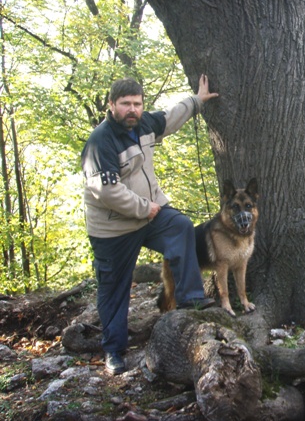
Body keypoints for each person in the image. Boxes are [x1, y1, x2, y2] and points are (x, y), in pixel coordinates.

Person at [81, 74, 219, 375]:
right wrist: (147, 208)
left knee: (181, 226)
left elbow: (170, 118)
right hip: (114, 228)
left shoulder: (142, 124)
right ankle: (114, 351)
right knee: (113, 289)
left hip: (149, 216)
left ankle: (190, 299)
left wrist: (196, 101)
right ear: (111, 105)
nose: (132, 109)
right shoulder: (100, 142)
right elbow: (107, 192)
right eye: (125, 104)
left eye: (137, 104)